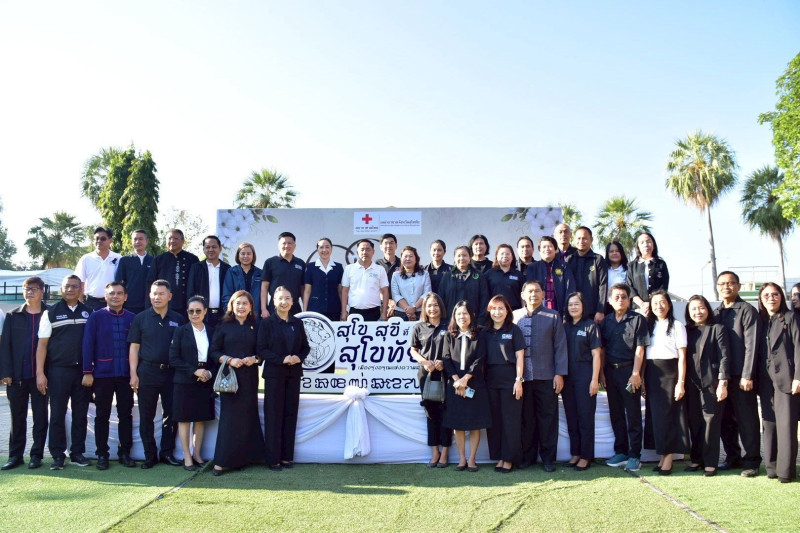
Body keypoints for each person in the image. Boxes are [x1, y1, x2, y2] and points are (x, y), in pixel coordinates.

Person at [35, 275, 93, 470]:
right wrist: (40, 373)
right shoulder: (50, 313)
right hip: (58, 371)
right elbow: (42, 346)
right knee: (57, 414)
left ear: (80, 290)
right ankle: (58, 455)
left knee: (80, 414)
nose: (70, 289)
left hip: (83, 372)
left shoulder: (89, 312)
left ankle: (77, 453)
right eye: (67, 286)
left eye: (75, 286)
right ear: (61, 289)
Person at [128, 280, 186, 468]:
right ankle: (150, 455)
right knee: (147, 416)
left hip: (171, 373)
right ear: (149, 296)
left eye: (161, 294)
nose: (157, 297)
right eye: (154, 293)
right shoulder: (141, 318)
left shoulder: (179, 319)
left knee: (171, 415)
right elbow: (134, 348)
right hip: (147, 372)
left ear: (170, 296)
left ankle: (167, 453)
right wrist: (133, 374)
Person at [512, 280, 568, 472]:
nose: (533, 295)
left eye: (537, 291)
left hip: (547, 376)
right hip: (522, 378)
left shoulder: (553, 316)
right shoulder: (514, 316)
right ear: (522, 295)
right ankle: (528, 457)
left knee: (548, 419)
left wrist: (559, 373)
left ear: (544, 294)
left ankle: (548, 459)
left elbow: (560, 346)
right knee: (526, 419)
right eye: (529, 291)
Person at [81, 281, 137, 469]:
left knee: (125, 414)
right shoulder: (96, 317)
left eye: (119, 293)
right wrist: (87, 371)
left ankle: (125, 453)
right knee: (102, 415)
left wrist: (135, 374)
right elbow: (88, 345)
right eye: (112, 293)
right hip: (102, 375)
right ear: (105, 296)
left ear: (125, 297)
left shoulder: (132, 318)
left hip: (125, 375)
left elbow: (137, 348)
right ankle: (102, 454)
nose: (115, 296)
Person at [210, 290, 265, 475]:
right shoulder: (223, 326)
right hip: (230, 379)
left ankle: (241, 459)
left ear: (251, 307)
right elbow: (214, 351)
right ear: (232, 306)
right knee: (229, 420)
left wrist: (254, 359)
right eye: (238, 303)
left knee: (247, 418)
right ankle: (220, 462)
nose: (241, 307)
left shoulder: (256, 326)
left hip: (249, 378)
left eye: (245, 303)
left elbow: (262, 352)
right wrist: (229, 360)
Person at [713, 270, 761, 477]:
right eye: (722, 284)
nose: (726, 287)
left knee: (747, 420)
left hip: (742, 377)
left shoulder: (747, 310)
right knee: (725, 420)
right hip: (721, 378)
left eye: (730, 283)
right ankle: (732, 457)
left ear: (738, 286)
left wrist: (747, 375)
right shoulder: (715, 313)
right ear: (717, 287)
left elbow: (752, 345)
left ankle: (752, 461)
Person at [258, 286, 310, 471]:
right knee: (273, 416)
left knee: (290, 415)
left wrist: (298, 358)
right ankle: (273, 459)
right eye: (280, 298)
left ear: (292, 301)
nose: (284, 302)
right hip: (274, 375)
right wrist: (282, 359)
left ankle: (287, 457)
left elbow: (306, 347)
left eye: (287, 298)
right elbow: (261, 349)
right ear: (274, 301)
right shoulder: (266, 323)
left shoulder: (297, 323)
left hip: (293, 375)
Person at [0, 277, 49, 470]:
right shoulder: (13, 315)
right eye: (26, 289)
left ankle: (36, 455)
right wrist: (5, 372)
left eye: (34, 289)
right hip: (17, 376)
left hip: (41, 376)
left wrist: (46, 373)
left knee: (40, 417)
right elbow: (5, 346)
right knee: (17, 417)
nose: (29, 292)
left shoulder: (50, 313)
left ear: (42, 291)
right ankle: (15, 456)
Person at [600, 283, 649, 473]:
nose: (620, 300)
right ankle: (620, 452)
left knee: (633, 414)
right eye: (616, 297)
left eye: (623, 297)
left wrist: (636, 374)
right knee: (616, 413)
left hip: (629, 371)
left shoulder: (638, 319)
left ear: (629, 300)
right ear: (610, 301)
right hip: (610, 372)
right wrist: (602, 373)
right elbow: (602, 349)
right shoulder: (606, 321)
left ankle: (635, 455)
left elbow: (640, 348)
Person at [757, 283, 800, 483]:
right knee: (769, 424)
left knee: (786, 425)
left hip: (787, 379)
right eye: (766, 295)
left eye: (775, 294)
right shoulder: (761, 320)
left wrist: (798, 377)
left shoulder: (791, 318)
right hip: (765, 381)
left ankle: (786, 472)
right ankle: (772, 467)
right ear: (761, 299)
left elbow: (799, 348)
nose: (771, 298)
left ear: (781, 297)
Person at [683, 295, 730, 476]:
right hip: (690, 384)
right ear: (688, 312)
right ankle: (697, 459)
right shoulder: (686, 330)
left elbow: (724, 357)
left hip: (712, 383)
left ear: (708, 309)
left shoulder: (717, 329)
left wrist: (723, 383)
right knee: (694, 422)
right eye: (694, 308)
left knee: (711, 423)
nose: (698, 312)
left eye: (701, 307)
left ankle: (710, 462)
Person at [442, 301, 491, 472]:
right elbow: (446, 358)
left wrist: (466, 379)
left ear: (472, 315)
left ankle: (472, 459)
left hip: (475, 383)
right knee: (458, 424)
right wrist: (457, 380)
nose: (462, 317)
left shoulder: (480, 334)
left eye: (465, 313)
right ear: (454, 316)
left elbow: (480, 359)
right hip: (455, 385)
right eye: (458, 314)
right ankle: (462, 458)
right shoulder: (449, 335)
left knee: (475, 423)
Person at [169, 296, 216, 471]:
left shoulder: (212, 331)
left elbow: (216, 356)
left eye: (198, 311)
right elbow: (174, 358)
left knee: (200, 418)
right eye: (191, 311)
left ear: (205, 311)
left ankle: (197, 454)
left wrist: (209, 372)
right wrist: (194, 371)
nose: (194, 314)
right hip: (184, 380)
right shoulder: (180, 331)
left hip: (205, 380)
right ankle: (187, 456)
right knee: (184, 419)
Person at [644, 290, 687, 475]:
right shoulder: (648, 325)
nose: (659, 306)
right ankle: (662, 456)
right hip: (652, 373)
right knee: (656, 417)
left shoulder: (677, 325)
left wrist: (681, 382)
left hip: (671, 373)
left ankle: (668, 458)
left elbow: (683, 356)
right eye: (655, 303)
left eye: (662, 302)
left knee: (668, 416)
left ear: (669, 304)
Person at [483, 295, 525, 473]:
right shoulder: (485, 332)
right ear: (489, 311)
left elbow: (520, 357)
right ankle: (499, 456)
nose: (497, 312)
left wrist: (519, 380)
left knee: (510, 420)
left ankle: (509, 458)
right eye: (494, 308)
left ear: (507, 311)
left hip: (510, 379)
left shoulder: (514, 330)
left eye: (501, 308)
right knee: (495, 420)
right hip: (490, 380)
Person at [409, 292, 452, 468]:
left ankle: (446, 452)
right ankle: (435, 452)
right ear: (424, 309)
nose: (432, 308)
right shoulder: (419, 327)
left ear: (440, 307)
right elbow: (413, 350)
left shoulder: (449, 325)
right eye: (429, 306)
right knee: (431, 415)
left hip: (446, 374)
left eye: (435, 305)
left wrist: (444, 362)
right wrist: (424, 362)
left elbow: (455, 349)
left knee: (446, 414)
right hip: (426, 375)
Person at [561, 292, 602, 471]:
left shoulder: (590, 326)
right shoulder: (564, 327)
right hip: (567, 377)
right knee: (572, 417)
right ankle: (576, 453)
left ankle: (586, 456)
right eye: (570, 304)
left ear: (583, 306)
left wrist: (594, 379)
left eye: (576, 304)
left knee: (585, 418)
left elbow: (597, 355)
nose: (573, 307)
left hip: (585, 376)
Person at [147, 229, 199, 314]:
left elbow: (197, 283)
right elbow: (150, 282)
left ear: (183, 241)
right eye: (169, 238)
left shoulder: (192, 259)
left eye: (175, 238)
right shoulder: (159, 259)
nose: (172, 241)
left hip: (187, 305)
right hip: (164, 306)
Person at [186, 235, 231, 329]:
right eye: (207, 247)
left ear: (220, 249)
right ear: (203, 249)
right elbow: (190, 291)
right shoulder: (196, 268)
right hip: (202, 315)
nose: (211, 249)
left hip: (222, 315)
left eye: (214, 247)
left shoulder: (227, 269)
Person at [340, 239, 389, 321]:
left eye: (368, 249)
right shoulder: (349, 269)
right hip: (354, 312)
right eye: (362, 249)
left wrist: (384, 313)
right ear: (357, 252)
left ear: (373, 252)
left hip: (374, 312)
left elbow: (385, 291)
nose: (365, 252)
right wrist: (344, 311)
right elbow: (345, 291)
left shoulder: (380, 269)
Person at [438, 246, 489, 323]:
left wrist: (481, 321)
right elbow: (440, 300)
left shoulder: (479, 276)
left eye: (464, 255)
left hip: (473, 322)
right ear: (454, 258)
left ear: (470, 257)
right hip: (450, 322)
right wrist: (444, 320)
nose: (461, 258)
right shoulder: (447, 277)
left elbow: (484, 300)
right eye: (459, 256)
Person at [75, 227, 122, 311]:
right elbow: (80, 283)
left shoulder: (119, 258)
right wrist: (79, 304)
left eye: (103, 239)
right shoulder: (86, 259)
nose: (99, 241)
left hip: (113, 302)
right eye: (97, 238)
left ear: (110, 240)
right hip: (91, 303)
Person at [526, 236, 575, 318]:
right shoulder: (532, 268)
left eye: (550, 246)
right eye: (544, 247)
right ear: (539, 250)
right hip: (538, 312)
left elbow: (570, 289)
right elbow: (528, 291)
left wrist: (566, 313)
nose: (547, 249)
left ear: (555, 249)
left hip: (560, 311)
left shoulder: (564, 266)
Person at [261, 232, 305, 318]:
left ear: (294, 246)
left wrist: (305, 309)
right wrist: (264, 309)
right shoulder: (270, 262)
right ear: (278, 245)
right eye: (284, 243)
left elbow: (303, 288)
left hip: (295, 308)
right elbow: (264, 287)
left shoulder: (301, 263)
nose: (287, 246)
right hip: (275, 307)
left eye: (290, 243)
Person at [626, 232, 669, 317]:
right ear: (638, 247)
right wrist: (642, 304)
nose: (646, 245)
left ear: (653, 244)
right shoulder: (632, 265)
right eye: (642, 242)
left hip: (657, 308)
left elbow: (664, 286)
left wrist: (651, 303)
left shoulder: (661, 264)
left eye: (648, 241)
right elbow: (629, 286)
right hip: (638, 308)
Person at [571, 227, 607, 324]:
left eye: (585, 238)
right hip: (574, 312)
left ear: (591, 239)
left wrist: (600, 310)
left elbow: (603, 285)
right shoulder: (569, 260)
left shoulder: (598, 259)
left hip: (593, 312)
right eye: (578, 238)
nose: (581, 241)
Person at [302, 237, 344, 321]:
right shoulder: (310, 267)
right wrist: (305, 312)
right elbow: (307, 291)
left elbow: (340, 291)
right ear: (317, 250)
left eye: (327, 247)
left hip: (334, 310)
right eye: (321, 247)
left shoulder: (338, 267)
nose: (324, 250)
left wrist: (343, 311)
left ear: (331, 249)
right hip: (315, 309)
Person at [115, 229, 154, 314]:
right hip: (129, 305)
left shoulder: (153, 261)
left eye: (140, 239)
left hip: (150, 304)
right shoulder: (125, 260)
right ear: (131, 241)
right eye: (135, 239)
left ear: (147, 241)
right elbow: (118, 282)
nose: (137, 242)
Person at [221, 242, 263, 318]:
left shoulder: (260, 273)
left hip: (255, 315)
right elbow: (227, 294)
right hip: (236, 314)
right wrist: (229, 312)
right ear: (238, 255)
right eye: (243, 254)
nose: (245, 256)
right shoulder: (232, 272)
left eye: (249, 254)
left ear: (253, 255)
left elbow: (263, 296)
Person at [391, 246, 431, 321]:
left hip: (421, 312)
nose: (408, 259)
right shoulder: (396, 275)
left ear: (416, 259)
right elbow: (395, 295)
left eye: (411, 256)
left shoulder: (425, 274)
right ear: (401, 259)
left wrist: (414, 308)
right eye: (405, 256)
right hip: (401, 313)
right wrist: (408, 309)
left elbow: (427, 293)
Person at [484, 243, 524, 310]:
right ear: (497, 256)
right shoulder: (489, 274)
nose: (505, 256)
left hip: (515, 311)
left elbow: (523, 296)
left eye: (508, 254)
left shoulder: (518, 275)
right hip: (495, 311)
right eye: (502, 254)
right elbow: (484, 296)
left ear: (512, 257)